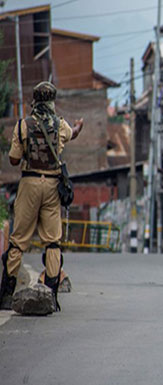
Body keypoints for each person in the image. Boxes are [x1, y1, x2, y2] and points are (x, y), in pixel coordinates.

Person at [0, 81, 83, 311]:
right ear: (52, 101)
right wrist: (77, 127)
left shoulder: (23, 125)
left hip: (29, 183)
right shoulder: (60, 124)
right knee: (53, 242)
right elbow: (72, 134)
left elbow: (14, 160)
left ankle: (7, 294)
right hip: (53, 186)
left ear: (34, 101)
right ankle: (51, 296)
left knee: (18, 241)